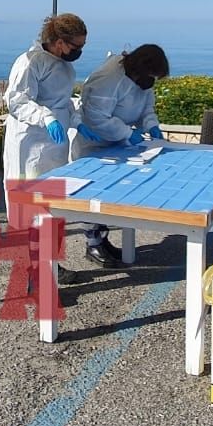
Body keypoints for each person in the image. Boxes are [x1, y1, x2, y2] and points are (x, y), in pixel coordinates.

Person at [2, 13, 101, 284]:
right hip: (31, 144)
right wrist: (45, 117)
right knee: (35, 212)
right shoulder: (29, 62)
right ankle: (36, 277)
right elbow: (17, 101)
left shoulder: (63, 65)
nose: (78, 52)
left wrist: (77, 121)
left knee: (54, 209)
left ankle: (52, 266)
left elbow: (64, 100)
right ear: (58, 42)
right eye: (75, 46)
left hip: (54, 145)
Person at [71, 44, 171, 268]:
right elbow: (98, 118)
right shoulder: (108, 79)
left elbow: (147, 108)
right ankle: (93, 243)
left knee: (113, 195)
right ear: (139, 69)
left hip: (120, 144)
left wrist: (151, 125)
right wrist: (128, 133)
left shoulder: (143, 78)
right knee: (93, 195)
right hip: (95, 144)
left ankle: (102, 241)